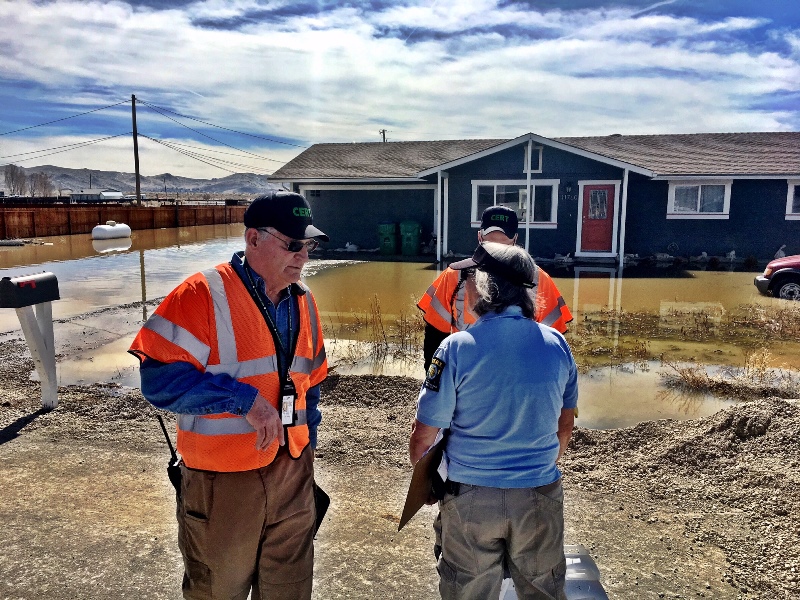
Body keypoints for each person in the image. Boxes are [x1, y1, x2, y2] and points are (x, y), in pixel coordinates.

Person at [129, 190, 328, 600]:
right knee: (218, 590)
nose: (303, 256)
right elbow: (159, 383)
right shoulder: (200, 293)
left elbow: (312, 386)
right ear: (253, 239)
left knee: (290, 590)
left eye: (307, 245)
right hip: (223, 481)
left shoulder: (306, 303)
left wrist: (305, 453)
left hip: (292, 473)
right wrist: (244, 401)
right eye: (292, 245)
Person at [409, 242, 578, 600]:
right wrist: (537, 468)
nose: (464, 285)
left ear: (484, 285)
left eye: (469, 277)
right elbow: (565, 426)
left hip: (471, 497)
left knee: (468, 591)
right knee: (543, 590)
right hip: (540, 493)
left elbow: (423, 436)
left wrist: (426, 485)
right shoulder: (558, 344)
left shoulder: (455, 347)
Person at [417, 205, 572, 370]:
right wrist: (434, 381)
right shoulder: (454, 275)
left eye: (503, 245)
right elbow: (435, 336)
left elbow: (554, 344)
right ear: (479, 237)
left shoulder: (539, 279)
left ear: (515, 240)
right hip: (466, 376)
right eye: (491, 244)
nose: (497, 255)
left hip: (518, 377)